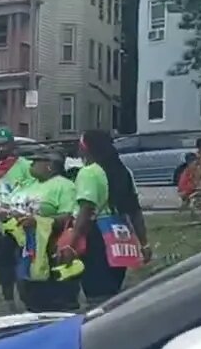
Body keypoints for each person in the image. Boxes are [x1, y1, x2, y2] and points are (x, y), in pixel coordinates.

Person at [58, 130, 151, 307]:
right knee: (113, 290)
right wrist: (144, 243)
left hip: (95, 236)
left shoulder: (89, 173)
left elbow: (86, 210)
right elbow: (135, 211)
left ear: (87, 149)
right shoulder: (124, 171)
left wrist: (72, 244)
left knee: (96, 294)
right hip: (120, 234)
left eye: (81, 146)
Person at [9, 149, 79, 312]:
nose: (31, 165)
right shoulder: (30, 184)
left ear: (50, 166)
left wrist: (39, 222)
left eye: (36, 162)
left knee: (53, 295)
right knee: (28, 288)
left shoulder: (64, 186)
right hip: (27, 244)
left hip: (51, 245)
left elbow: (68, 216)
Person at [0, 127, 33, 313]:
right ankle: (9, 303)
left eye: (3, 145)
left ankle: (27, 301)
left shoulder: (25, 166)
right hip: (3, 226)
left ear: (12, 145)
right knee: (4, 265)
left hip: (22, 224)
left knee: (23, 263)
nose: (0, 149)